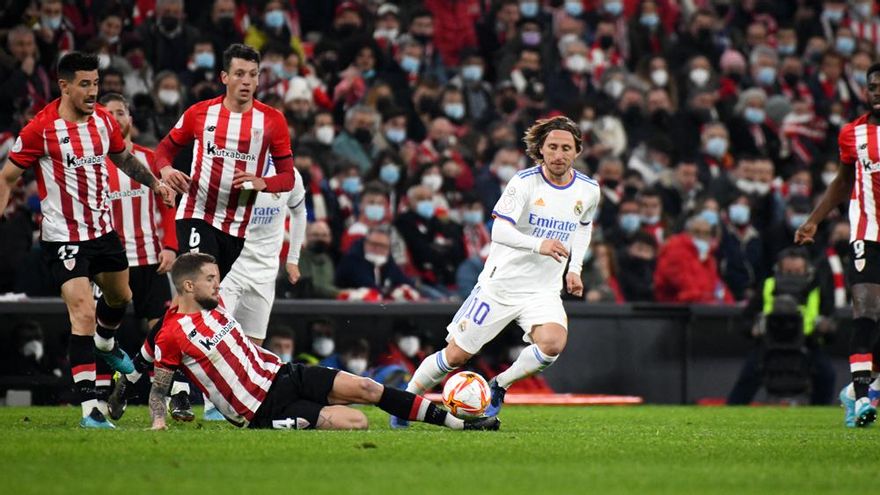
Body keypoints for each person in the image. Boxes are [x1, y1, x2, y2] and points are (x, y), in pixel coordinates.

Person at [0, 52, 175, 428]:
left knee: (121, 299)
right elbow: (7, 177)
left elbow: (124, 159)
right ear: (64, 85)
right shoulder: (40, 129)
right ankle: (90, 410)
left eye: (96, 83)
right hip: (64, 237)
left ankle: (107, 345)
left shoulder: (104, 123)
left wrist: (155, 184)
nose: (93, 91)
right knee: (82, 313)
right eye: (85, 84)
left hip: (104, 232)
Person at [394, 116, 599, 427]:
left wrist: (575, 268)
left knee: (553, 344)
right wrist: (539, 245)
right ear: (540, 150)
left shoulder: (588, 189)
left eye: (566, 148)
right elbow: (499, 232)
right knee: (455, 356)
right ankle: (406, 401)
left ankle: (499, 385)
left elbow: (583, 226)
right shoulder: (524, 182)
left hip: (543, 289)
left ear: (577, 151)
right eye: (553, 147)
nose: (559, 154)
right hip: (500, 285)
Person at [147, 252, 500, 431]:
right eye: (210, 279)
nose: (218, 285)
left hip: (284, 374)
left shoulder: (217, 304)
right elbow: (158, 384)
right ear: (189, 286)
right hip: (262, 410)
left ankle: (459, 423)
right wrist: (158, 422)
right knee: (356, 422)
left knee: (366, 387)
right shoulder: (173, 332)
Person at [152, 43, 295, 278]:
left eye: (252, 75)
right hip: (197, 212)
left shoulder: (273, 121)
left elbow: (287, 177)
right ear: (225, 77)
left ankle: (169, 316)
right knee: (201, 283)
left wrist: (262, 183)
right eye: (239, 74)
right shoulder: (199, 113)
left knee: (203, 296)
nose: (246, 81)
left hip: (237, 225)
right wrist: (166, 170)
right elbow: (163, 150)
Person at [795, 62, 880, 428]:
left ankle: (856, 391)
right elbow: (842, 182)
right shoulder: (853, 134)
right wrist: (814, 219)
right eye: (872, 86)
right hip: (867, 231)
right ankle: (862, 398)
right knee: (865, 308)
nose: (877, 91)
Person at [727, 247, 836, 405]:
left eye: (797, 271)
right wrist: (753, 329)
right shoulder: (768, 286)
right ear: (778, 269)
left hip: (806, 344)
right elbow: (745, 320)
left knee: (827, 375)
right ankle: (732, 411)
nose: (792, 276)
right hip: (769, 344)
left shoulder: (817, 289)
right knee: (748, 376)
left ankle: (819, 412)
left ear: (807, 270)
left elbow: (831, 323)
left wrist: (826, 328)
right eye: (788, 271)